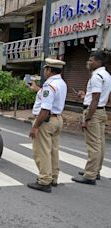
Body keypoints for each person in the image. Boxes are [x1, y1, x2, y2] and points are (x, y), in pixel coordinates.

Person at [27, 58, 67, 193]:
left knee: (42, 151)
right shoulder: (61, 83)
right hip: (57, 119)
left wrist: (35, 126)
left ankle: (44, 180)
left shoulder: (49, 86)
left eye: (45, 69)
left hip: (46, 121)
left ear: (49, 70)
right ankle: (53, 177)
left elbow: (45, 109)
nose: (44, 71)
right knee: (53, 150)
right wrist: (37, 89)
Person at [72, 51, 111, 185]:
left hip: (93, 113)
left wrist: (87, 119)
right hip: (101, 111)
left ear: (98, 62)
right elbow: (100, 97)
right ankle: (95, 170)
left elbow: (95, 99)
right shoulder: (106, 75)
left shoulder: (96, 76)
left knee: (93, 145)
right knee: (100, 143)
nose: (88, 62)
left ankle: (90, 176)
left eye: (91, 60)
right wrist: (85, 96)